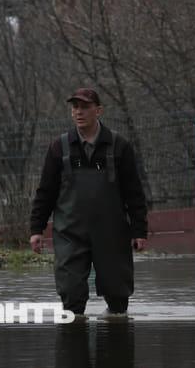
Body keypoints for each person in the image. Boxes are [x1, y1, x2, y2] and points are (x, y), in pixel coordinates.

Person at [29, 87, 148, 316]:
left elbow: (134, 193)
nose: (79, 112)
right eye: (75, 107)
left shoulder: (119, 146)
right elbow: (45, 193)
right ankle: (75, 335)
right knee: (71, 296)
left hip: (112, 233)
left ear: (98, 110)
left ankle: (115, 334)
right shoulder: (59, 147)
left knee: (118, 299)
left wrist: (139, 231)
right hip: (70, 234)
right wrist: (36, 229)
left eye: (85, 107)